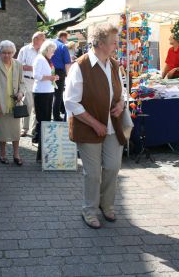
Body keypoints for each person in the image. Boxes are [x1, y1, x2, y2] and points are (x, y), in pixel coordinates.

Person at [64, 23, 127, 229]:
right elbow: (71, 102)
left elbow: (123, 92)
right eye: (113, 43)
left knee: (112, 167)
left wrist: (121, 104)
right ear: (99, 43)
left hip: (112, 126)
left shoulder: (115, 65)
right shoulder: (80, 67)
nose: (116, 46)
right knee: (92, 173)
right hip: (88, 127)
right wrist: (94, 123)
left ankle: (106, 204)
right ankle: (89, 210)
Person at [0, 40, 25, 166]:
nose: (7, 55)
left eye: (9, 53)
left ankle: (16, 154)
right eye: (4, 53)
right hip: (0, 103)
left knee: (15, 131)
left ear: (13, 53)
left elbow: (22, 83)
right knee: (1, 131)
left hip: (14, 104)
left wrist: (21, 93)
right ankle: (2, 154)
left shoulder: (18, 64)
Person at [32, 39, 59, 162]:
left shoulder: (47, 60)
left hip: (48, 91)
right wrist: (51, 77)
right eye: (52, 51)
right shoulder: (39, 59)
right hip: (41, 93)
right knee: (43, 122)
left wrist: (53, 78)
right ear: (47, 49)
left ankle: (42, 153)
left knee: (47, 122)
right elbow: (36, 76)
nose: (53, 53)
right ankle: (40, 154)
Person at [16, 31, 45, 138]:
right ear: (36, 39)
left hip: (40, 81)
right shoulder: (25, 50)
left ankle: (35, 130)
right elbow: (18, 65)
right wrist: (33, 68)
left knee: (37, 106)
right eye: (43, 39)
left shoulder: (43, 50)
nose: (44, 41)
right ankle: (24, 129)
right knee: (28, 104)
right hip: (27, 80)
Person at [51, 31, 72, 121]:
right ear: (63, 37)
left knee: (49, 94)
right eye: (66, 38)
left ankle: (52, 114)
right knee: (58, 95)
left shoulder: (49, 44)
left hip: (49, 70)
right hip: (59, 72)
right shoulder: (63, 46)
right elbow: (67, 63)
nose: (66, 40)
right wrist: (69, 75)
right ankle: (56, 116)